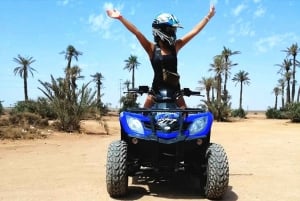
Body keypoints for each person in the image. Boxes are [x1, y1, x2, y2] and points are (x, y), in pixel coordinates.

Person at [107, 4, 215, 109]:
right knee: (144, 119)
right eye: (171, 30)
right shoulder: (151, 48)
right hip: (155, 92)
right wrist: (121, 18)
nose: (173, 32)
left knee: (185, 119)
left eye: (174, 30)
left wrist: (208, 16)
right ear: (160, 30)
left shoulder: (175, 46)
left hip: (176, 93)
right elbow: (137, 32)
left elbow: (194, 32)